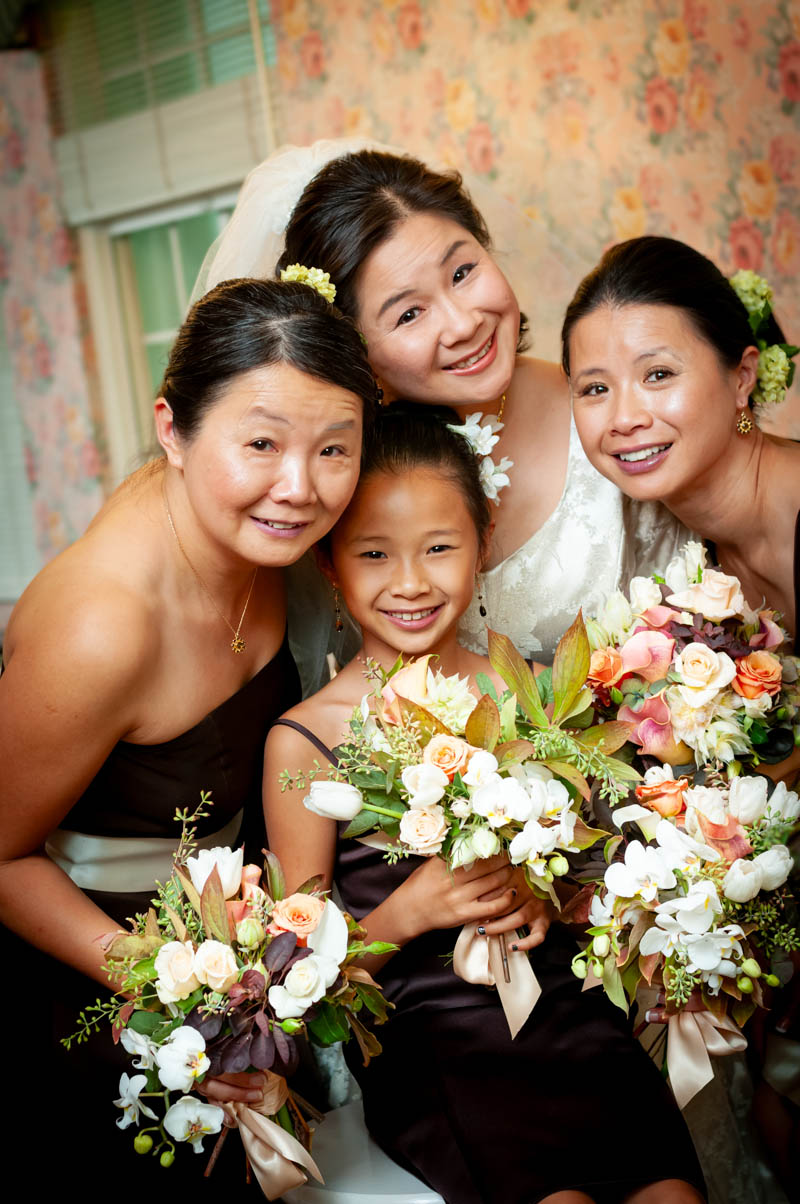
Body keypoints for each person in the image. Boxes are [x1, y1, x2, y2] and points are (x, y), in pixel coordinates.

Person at [263, 403, 706, 1204]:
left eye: (439, 547)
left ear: (483, 538)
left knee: (669, 1193)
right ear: (329, 563)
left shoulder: (523, 689)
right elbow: (300, 980)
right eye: (373, 553)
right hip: (438, 1045)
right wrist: (413, 907)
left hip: (571, 1019)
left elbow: (586, 878)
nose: (410, 581)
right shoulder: (306, 739)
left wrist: (552, 893)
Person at [0, 276, 377, 1186]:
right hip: (87, 980)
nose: (299, 487)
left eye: (335, 449)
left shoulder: (280, 551)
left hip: (235, 947)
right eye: (260, 444)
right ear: (172, 429)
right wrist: (182, 993)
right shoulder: (103, 625)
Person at [195, 141, 688, 683]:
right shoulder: (329, 469)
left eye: (462, 273)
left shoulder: (604, 411)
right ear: (353, 343)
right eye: (409, 314)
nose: (462, 324)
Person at [561, 235, 800, 651]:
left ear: (742, 376)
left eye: (658, 375)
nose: (624, 419)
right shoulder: (678, 563)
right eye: (596, 388)